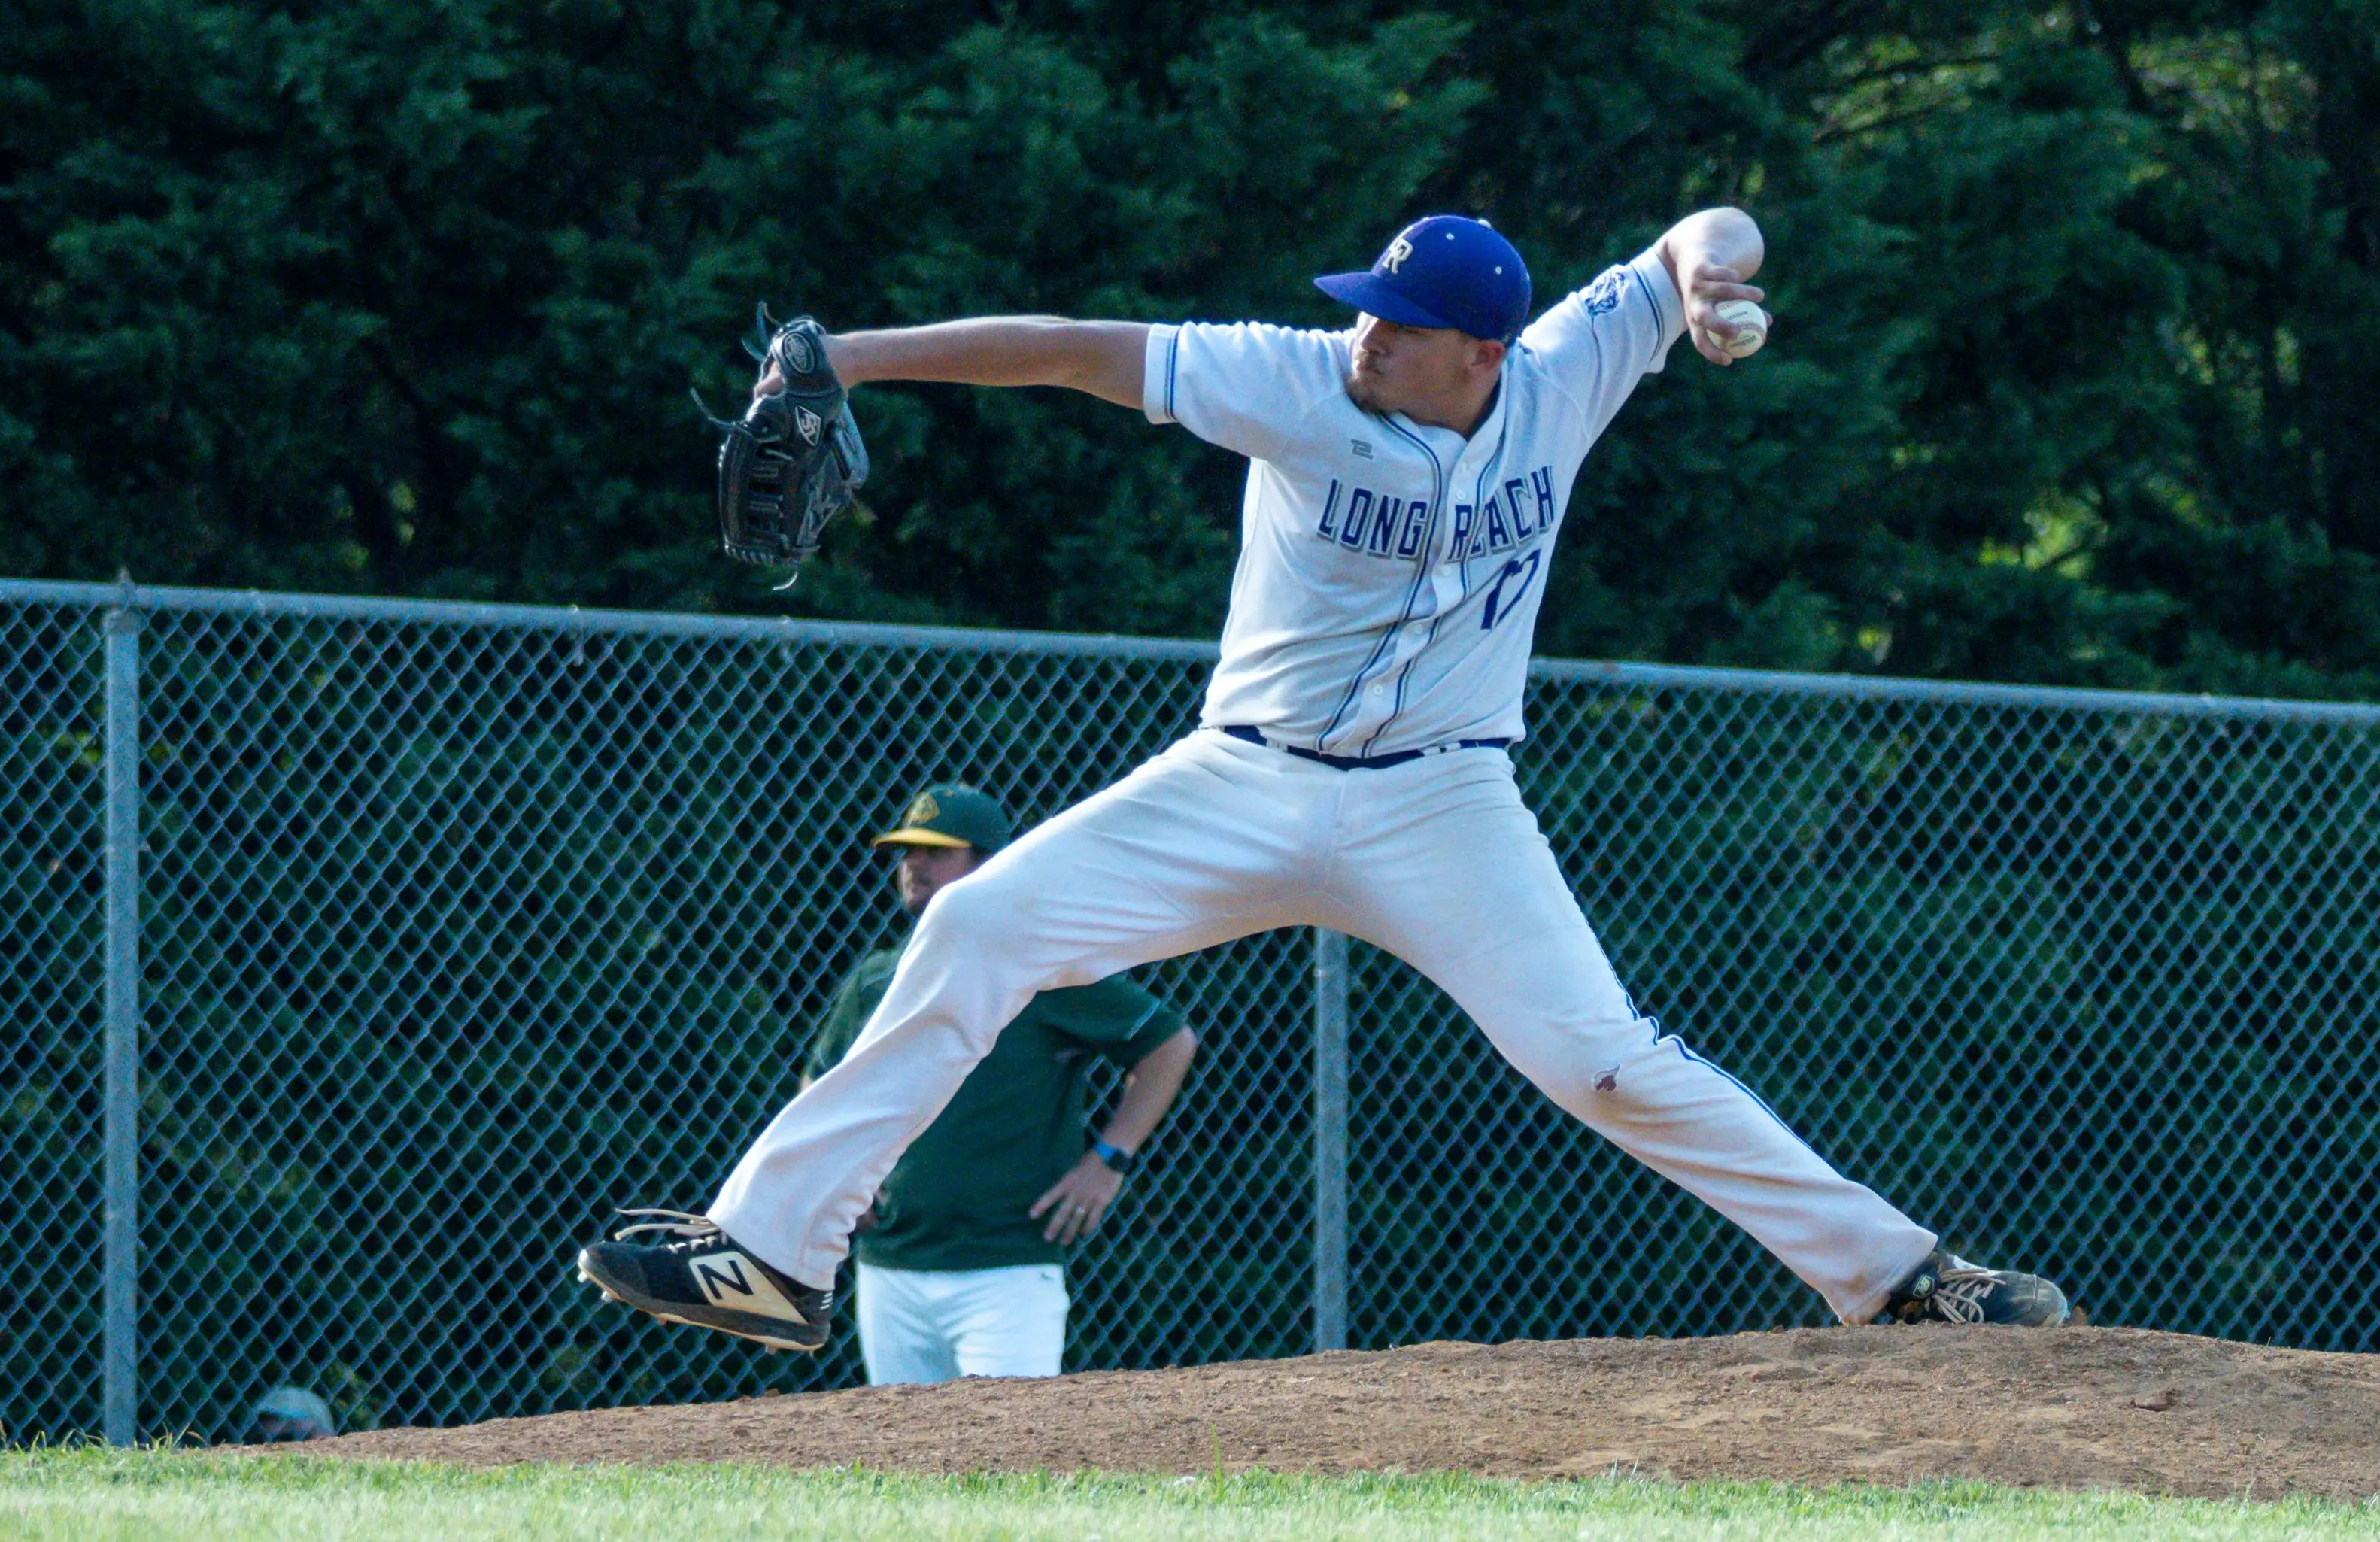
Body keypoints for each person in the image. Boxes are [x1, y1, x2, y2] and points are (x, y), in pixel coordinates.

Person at [578, 206, 2072, 1350]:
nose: (1367, 339)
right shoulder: (1294, 383)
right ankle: (773, 1252)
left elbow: (1711, 227)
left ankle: (1898, 1279)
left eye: (1402, 329)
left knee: (1600, 1059)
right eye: (1368, 312)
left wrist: (1701, 283)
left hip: (1443, 804)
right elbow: (1069, 345)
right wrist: (850, 359)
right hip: (1237, 787)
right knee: (970, 928)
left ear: (1482, 352)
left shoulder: (1559, 374)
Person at [808, 782, 1197, 1384]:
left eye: (938, 852)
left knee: (1008, 1456)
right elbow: (821, 1083)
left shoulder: (1037, 970)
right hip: (890, 1266)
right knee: (901, 1461)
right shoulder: (879, 977)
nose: (914, 864)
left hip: (1008, 1272)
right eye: (907, 851)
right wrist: (838, 1174)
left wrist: (1108, 1159)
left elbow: (1167, 1043)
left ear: (991, 866)